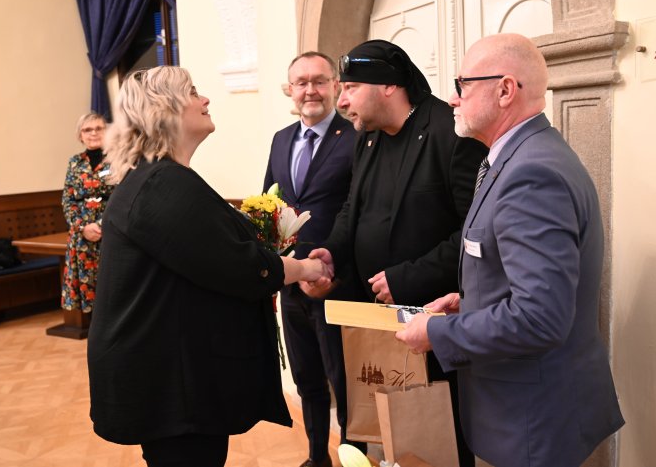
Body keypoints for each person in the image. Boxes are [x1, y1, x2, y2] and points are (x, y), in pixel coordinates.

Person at [396, 33, 625, 467]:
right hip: (529, 410)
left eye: (463, 85)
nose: (452, 98)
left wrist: (438, 333)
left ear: (504, 90)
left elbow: (540, 317)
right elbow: (521, 275)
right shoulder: (521, 155)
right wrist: (470, 301)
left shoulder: (531, 173)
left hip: (531, 421)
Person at [87, 66, 331, 467]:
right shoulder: (162, 184)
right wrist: (305, 270)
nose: (205, 99)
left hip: (172, 369)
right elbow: (240, 266)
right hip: (170, 381)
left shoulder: (160, 178)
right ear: (163, 109)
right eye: (193, 91)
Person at [305, 39, 487, 467]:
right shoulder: (367, 139)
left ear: (388, 86)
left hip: (434, 317)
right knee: (388, 435)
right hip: (375, 319)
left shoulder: (450, 132)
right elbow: (353, 208)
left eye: (350, 87)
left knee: (437, 439)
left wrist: (408, 278)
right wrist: (331, 252)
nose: (341, 101)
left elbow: (476, 232)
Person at [263, 51, 359, 467]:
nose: (310, 90)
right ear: (290, 89)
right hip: (291, 284)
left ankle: (355, 458)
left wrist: (336, 271)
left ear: (335, 86)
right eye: (301, 82)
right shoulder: (281, 139)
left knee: (346, 383)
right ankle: (318, 458)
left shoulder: (356, 137)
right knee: (308, 381)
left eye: (319, 81)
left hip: (336, 284)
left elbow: (360, 212)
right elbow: (269, 206)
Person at [60, 112, 113, 313]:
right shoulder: (75, 162)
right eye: (87, 130)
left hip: (111, 232)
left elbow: (122, 195)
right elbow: (68, 199)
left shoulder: (118, 158)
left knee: (112, 290)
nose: (93, 133)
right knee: (89, 293)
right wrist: (82, 227)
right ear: (80, 135)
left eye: (99, 128)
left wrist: (100, 225)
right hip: (82, 237)